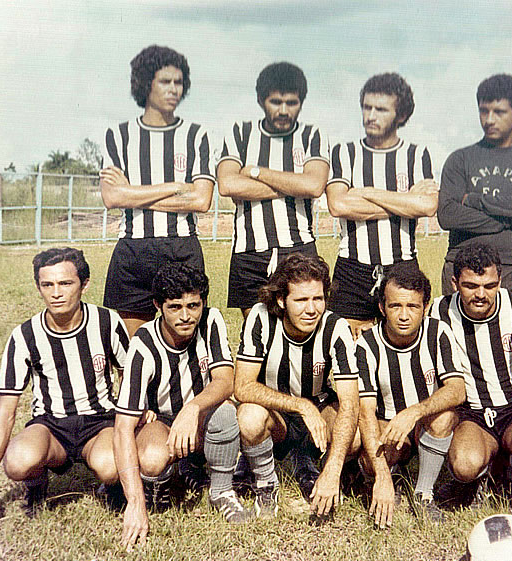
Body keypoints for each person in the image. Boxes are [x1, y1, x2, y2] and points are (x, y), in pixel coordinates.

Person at [0, 248, 129, 535]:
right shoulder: (24, 335)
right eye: (48, 285)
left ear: (84, 284)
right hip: (51, 426)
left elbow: (128, 374)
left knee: (109, 465)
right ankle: (37, 482)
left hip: (99, 422)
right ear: (38, 287)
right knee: (17, 462)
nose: (56, 293)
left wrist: (135, 415)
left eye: (65, 283)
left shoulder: (108, 322)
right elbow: (6, 409)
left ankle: (112, 485)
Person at [113, 263, 246, 550]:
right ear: (158, 306)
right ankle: (165, 481)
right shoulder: (144, 342)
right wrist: (135, 503)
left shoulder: (211, 320)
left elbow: (225, 381)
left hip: (198, 414)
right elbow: (122, 426)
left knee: (226, 412)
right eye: (174, 307)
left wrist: (192, 408)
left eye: (193, 305)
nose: (185, 316)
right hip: (160, 421)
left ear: (203, 302)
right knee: (151, 459)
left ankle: (221, 491)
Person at [234, 253, 359, 520]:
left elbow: (350, 403)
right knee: (249, 417)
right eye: (301, 300)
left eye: (318, 299)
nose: (311, 309)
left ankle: (311, 462)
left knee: (355, 434)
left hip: (318, 411)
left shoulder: (336, 327)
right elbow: (242, 387)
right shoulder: (261, 317)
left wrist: (333, 469)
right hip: (276, 414)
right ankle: (266, 483)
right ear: (281, 300)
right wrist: (301, 405)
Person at [101, 45, 215, 337]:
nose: (174, 89)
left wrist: (131, 193)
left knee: (185, 340)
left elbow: (202, 199)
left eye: (179, 82)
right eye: (165, 81)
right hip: (133, 249)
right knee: (132, 347)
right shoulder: (119, 136)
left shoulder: (195, 135)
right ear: (145, 83)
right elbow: (112, 197)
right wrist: (175, 187)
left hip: (181, 247)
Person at [429, 244, 512, 509]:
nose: (481, 295)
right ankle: (476, 478)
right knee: (465, 465)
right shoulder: (438, 311)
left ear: (500, 281)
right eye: (471, 286)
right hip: (471, 412)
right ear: (454, 283)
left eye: (489, 285)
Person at [326, 72, 438, 336]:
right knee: (346, 344)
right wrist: (405, 199)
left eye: (381, 109)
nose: (371, 116)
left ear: (401, 115)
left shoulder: (416, 155)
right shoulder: (345, 152)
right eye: (367, 107)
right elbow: (338, 205)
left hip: (402, 264)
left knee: (402, 342)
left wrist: (365, 192)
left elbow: (427, 207)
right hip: (352, 269)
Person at [217, 62, 329, 319]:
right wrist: (294, 185)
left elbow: (314, 185)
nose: (283, 110)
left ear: (301, 102)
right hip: (249, 253)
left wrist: (255, 172)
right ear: (260, 100)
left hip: (299, 247)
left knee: (302, 330)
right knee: (256, 331)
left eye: (292, 103)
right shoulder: (240, 133)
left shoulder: (311, 135)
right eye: (276, 102)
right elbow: (227, 184)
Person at [356, 267, 467, 527]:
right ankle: (386, 475)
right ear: (382, 308)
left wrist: (413, 412)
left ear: (425, 307)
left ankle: (423, 494)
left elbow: (457, 389)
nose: (404, 316)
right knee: (372, 458)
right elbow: (365, 411)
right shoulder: (366, 344)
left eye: (413, 306)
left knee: (445, 417)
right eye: (395, 306)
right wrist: (381, 475)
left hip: (423, 421)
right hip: (388, 425)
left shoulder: (438, 332)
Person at [438, 73, 512, 296]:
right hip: (464, 270)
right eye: (484, 111)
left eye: (499, 112)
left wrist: (473, 200)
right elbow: (447, 215)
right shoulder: (459, 159)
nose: (489, 120)